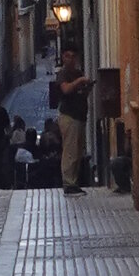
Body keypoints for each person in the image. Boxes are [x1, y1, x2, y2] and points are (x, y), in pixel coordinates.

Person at [55, 47, 94, 194]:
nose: (71, 59)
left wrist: (86, 88)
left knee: (77, 151)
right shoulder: (63, 74)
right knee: (70, 150)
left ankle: (74, 181)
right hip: (69, 116)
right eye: (67, 56)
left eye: (73, 56)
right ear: (63, 58)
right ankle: (68, 182)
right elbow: (65, 89)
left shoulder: (77, 73)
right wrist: (81, 81)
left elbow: (81, 93)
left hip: (79, 116)